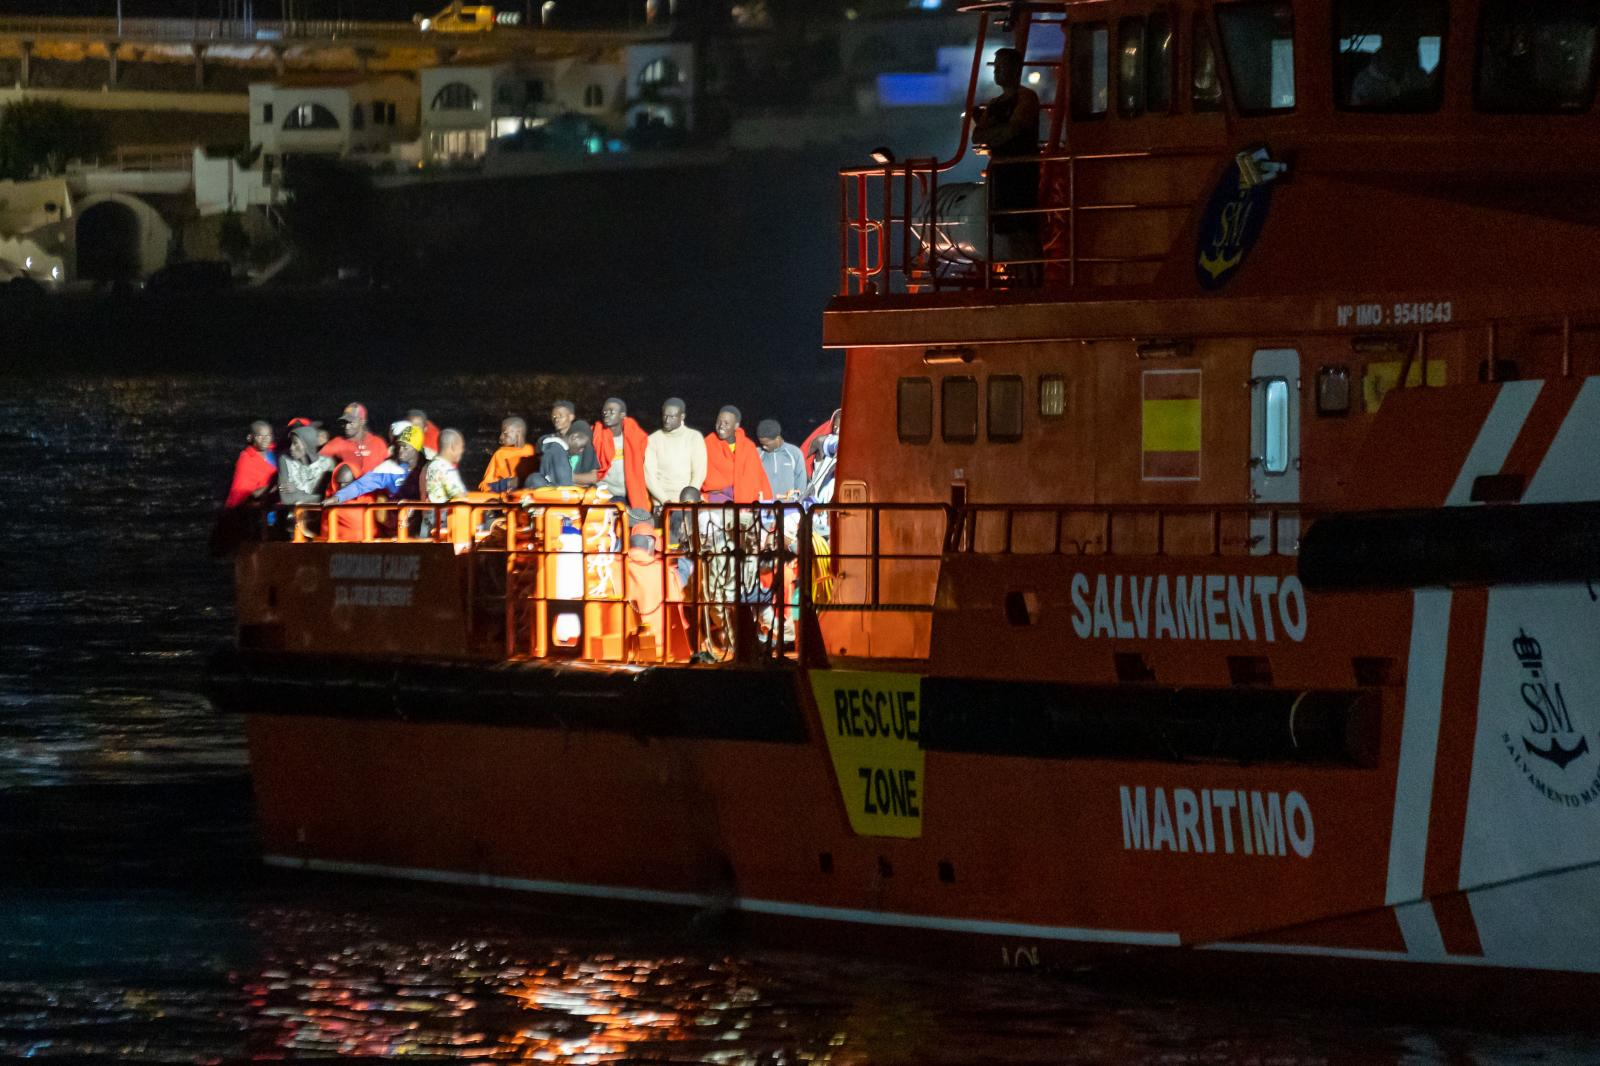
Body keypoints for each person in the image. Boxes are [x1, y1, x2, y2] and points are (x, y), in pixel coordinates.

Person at [971, 47, 1041, 282]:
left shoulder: (1026, 97)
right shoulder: (995, 103)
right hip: (1002, 172)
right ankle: (1021, 278)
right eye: (996, 66)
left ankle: (1033, 278)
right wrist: (996, 132)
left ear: (1016, 69)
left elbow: (1014, 129)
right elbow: (979, 136)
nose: (998, 71)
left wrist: (992, 132)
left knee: (1024, 228)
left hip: (1022, 171)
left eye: (1002, 66)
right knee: (1009, 229)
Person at [625, 521, 688, 662]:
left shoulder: (613, 568)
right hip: (665, 647)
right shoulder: (667, 573)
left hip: (629, 647)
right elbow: (678, 613)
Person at [330, 424, 424, 503]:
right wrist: (338, 497)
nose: (400, 450)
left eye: (405, 447)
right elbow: (361, 485)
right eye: (399, 446)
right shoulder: (388, 468)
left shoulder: (427, 467)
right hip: (397, 520)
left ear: (416, 449)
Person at [644, 397, 708, 510]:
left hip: (688, 502)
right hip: (662, 503)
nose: (667, 420)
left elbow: (699, 473)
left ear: (682, 417)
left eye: (672, 417)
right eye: (664, 416)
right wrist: (665, 501)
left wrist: (688, 499)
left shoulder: (694, 437)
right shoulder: (653, 440)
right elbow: (649, 477)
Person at [701, 405, 772, 504]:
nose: (721, 426)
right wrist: (725, 489)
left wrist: (730, 490)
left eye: (726, 423)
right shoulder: (708, 444)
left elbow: (755, 478)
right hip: (715, 500)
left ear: (736, 426)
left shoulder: (748, 447)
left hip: (746, 501)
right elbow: (708, 480)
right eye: (719, 421)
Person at [593, 397, 651, 516]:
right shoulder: (595, 436)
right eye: (604, 411)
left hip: (632, 493)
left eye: (611, 411)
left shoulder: (636, 438)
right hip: (607, 494)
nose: (606, 414)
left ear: (622, 415)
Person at [1350, 33, 1431, 107]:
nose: (1405, 50)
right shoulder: (1364, 81)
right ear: (1385, 46)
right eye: (1396, 45)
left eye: (1410, 46)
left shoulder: (1419, 76)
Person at [320, 402, 388, 477]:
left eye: (351, 422)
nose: (347, 426)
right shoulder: (339, 442)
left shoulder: (378, 443)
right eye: (345, 422)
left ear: (362, 421)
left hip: (375, 487)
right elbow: (317, 462)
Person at [224, 420, 278, 508]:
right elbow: (244, 494)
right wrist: (276, 486)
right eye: (260, 436)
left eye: (268, 436)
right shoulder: (246, 460)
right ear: (250, 437)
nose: (265, 440)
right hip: (255, 510)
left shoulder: (276, 451)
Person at [278, 423, 334, 506]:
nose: (291, 448)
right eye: (291, 443)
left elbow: (329, 497)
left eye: (295, 443)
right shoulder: (285, 460)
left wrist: (297, 491)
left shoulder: (327, 463)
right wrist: (317, 498)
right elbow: (286, 499)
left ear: (308, 444)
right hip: (295, 515)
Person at [479, 416, 537, 492]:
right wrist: (507, 484)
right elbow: (486, 485)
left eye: (505, 433)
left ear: (518, 431)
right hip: (505, 494)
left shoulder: (532, 451)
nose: (501, 437)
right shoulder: (500, 454)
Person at [755, 420, 807, 501]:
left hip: (788, 510)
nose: (764, 447)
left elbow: (801, 486)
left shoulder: (794, 453)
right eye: (761, 444)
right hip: (764, 508)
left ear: (777, 439)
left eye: (766, 444)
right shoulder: (757, 453)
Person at [424, 428, 469, 503]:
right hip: (443, 513)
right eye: (461, 447)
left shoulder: (430, 465)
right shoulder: (446, 469)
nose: (462, 451)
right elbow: (458, 495)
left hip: (429, 512)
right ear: (453, 447)